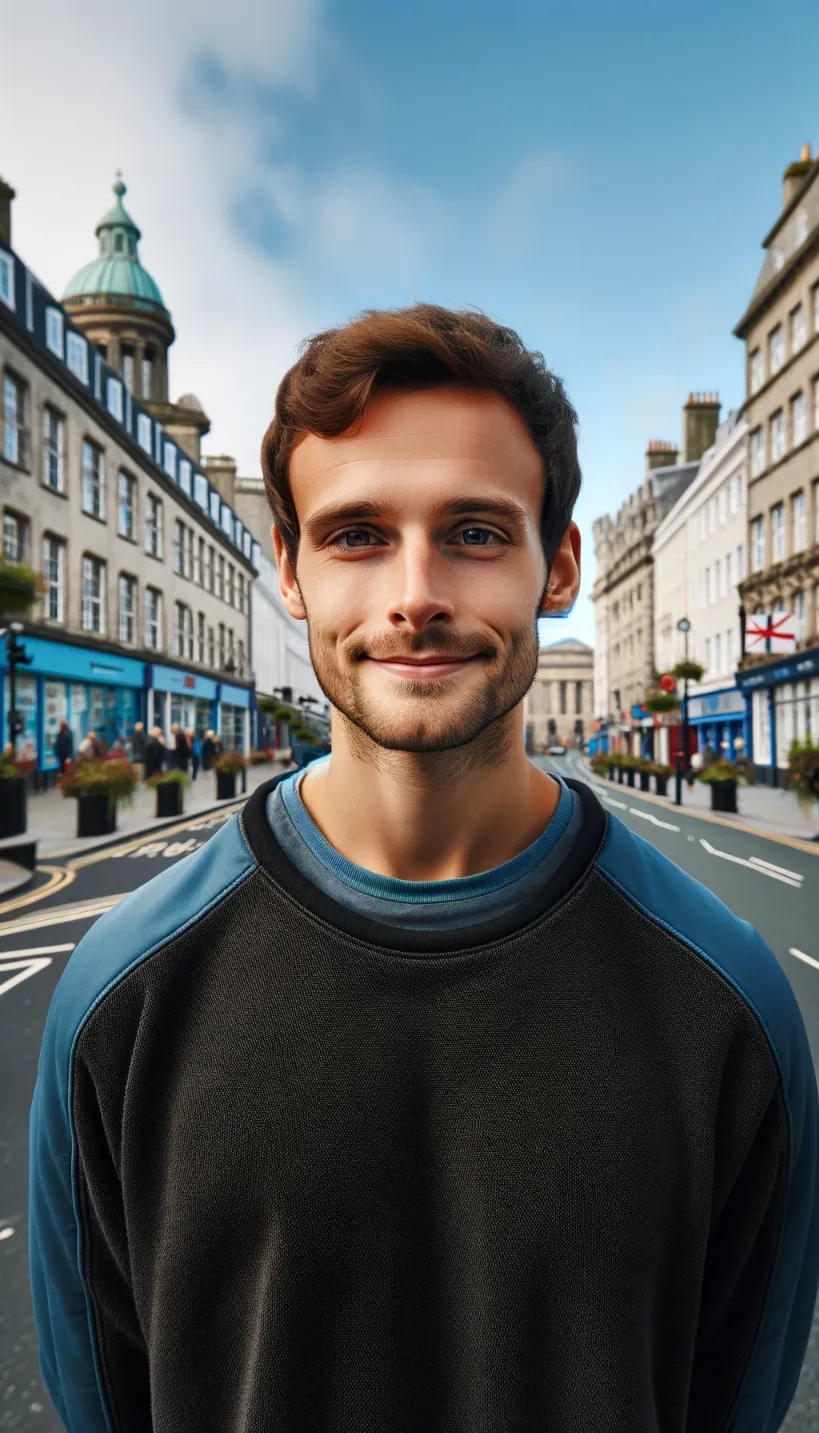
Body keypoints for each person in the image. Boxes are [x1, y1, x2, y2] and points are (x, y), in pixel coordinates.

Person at [29, 304, 819, 1432]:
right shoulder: (124, 992)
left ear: (560, 565)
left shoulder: (729, 998)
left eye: (477, 532)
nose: (415, 594)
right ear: (290, 570)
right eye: (356, 534)